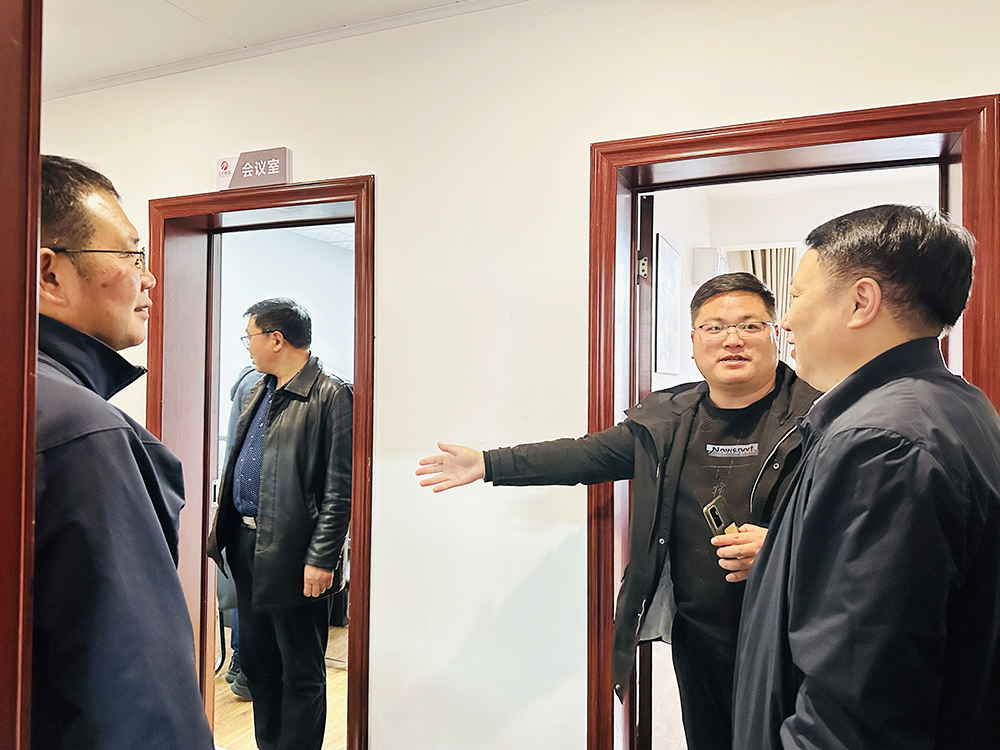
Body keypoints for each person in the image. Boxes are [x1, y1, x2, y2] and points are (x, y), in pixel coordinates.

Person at [417, 273, 820, 750]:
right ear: (694, 343)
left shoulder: (821, 418)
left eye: (750, 325)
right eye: (714, 328)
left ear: (776, 334)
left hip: (791, 639)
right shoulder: (667, 419)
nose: (732, 339)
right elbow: (583, 455)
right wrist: (487, 463)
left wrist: (783, 547)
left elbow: (864, 531)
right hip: (700, 640)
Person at [733, 205, 1000, 750]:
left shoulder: (881, 444)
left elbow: (852, 716)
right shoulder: (958, 405)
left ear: (861, 301)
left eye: (797, 296)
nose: (786, 321)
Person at [33, 155, 214, 748]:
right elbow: (138, 702)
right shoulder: (84, 434)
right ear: (49, 275)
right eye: (132, 255)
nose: (150, 277)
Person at [208, 298, 353, 750]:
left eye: (249, 337)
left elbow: (341, 487)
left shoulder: (332, 394)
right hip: (245, 544)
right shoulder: (258, 389)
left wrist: (322, 558)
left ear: (276, 339)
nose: (247, 346)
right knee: (259, 664)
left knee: (301, 671)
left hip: (295, 554)